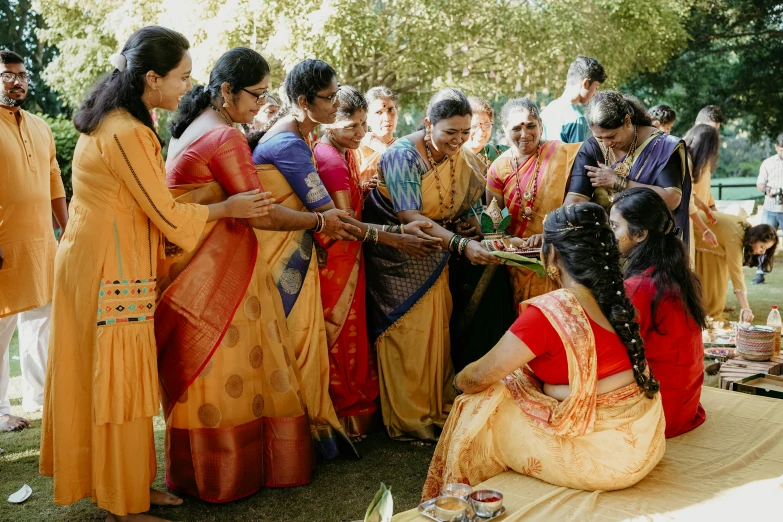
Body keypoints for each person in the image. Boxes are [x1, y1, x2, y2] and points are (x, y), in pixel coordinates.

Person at [38, 27, 271, 522]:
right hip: (107, 265)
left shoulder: (123, 120)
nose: (189, 86)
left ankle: (133, 484)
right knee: (118, 379)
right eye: (182, 77)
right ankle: (124, 503)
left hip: (107, 256)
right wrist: (227, 206)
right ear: (150, 78)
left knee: (126, 377)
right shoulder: (127, 131)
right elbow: (166, 214)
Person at [159, 48, 361, 501]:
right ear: (227, 91)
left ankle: (200, 470)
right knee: (226, 366)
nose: (260, 104)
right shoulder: (226, 137)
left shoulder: (187, 129)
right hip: (215, 268)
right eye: (256, 94)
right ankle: (227, 473)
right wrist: (319, 222)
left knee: (203, 370)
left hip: (185, 261)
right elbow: (261, 214)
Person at [251, 60, 438, 454]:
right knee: (318, 342)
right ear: (304, 102)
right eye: (330, 98)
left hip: (314, 255)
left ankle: (325, 424)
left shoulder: (304, 140)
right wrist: (397, 237)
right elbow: (335, 223)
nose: (337, 104)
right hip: (301, 259)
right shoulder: (292, 145)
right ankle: (310, 431)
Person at [421, 202, 665, 499]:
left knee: (480, 401)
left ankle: (464, 497)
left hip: (602, 460)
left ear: (552, 256)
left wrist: (458, 382)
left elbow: (476, 378)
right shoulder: (617, 298)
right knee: (518, 380)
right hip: (644, 444)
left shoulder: (549, 313)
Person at [363, 88, 500, 441]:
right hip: (400, 259)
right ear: (428, 124)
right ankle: (410, 419)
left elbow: (467, 197)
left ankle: (436, 406)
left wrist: (470, 219)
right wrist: (460, 244)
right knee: (408, 336)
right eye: (450, 132)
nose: (458, 141)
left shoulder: (459, 155)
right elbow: (411, 217)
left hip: (436, 257)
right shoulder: (402, 157)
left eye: (464, 133)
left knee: (436, 333)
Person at [312, 86, 440, 438]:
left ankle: (353, 416)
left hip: (349, 258)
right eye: (351, 125)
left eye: (361, 124)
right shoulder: (331, 159)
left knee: (351, 336)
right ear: (328, 123)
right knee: (340, 337)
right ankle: (344, 416)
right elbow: (346, 224)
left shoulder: (343, 153)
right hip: (337, 259)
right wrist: (395, 237)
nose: (360, 132)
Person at [0, 49, 68, 438]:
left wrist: (67, 226)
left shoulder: (40, 126)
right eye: (8, 75)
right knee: (3, 324)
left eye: (23, 75)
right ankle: (0, 410)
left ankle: (39, 395)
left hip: (42, 241)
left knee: (41, 317)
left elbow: (53, 176)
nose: (19, 81)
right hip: (5, 242)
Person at [611, 188, 708, 438]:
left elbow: (612, 354)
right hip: (683, 405)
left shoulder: (640, 287)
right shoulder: (674, 273)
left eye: (614, 226)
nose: (609, 235)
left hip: (661, 413)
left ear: (641, 233)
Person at [564, 91, 692, 248]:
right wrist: (555, 230)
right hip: (604, 245)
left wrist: (619, 182)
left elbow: (672, 199)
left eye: (611, 136)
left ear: (627, 121)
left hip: (649, 246)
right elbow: (576, 200)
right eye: (599, 138)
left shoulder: (661, 147)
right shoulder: (592, 147)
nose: (606, 144)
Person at [486, 97, 580, 305]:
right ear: (504, 129)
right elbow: (493, 227)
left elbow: (578, 205)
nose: (524, 134)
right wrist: (516, 245)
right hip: (519, 262)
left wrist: (550, 234)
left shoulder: (563, 154)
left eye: (531, 126)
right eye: (516, 128)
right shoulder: (498, 169)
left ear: (541, 126)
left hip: (560, 255)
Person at [695, 217, 777, 321]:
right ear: (754, 240)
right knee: (711, 277)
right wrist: (747, 309)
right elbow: (737, 275)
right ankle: (706, 309)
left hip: (708, 236)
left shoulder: (746, 230)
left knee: (720, 275)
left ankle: (716, 305)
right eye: (762, 247)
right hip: (694, 228)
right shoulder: (735, 239)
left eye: (766, 249)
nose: (763, 252)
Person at [540, 55, 607, 143]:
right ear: (586, 83)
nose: (595, 93)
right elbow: (577, 156)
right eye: (596, 87)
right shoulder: (577, 119)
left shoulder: (546, 111)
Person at [684, 124, 721, 262]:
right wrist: (705, 230)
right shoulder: (685, 160)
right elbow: (687, 199)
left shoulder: (687, 157)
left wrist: (706, 208)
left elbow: (690, 193)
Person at [754, 132, 783, 284]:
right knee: (763, 241)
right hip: (770, 209)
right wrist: (768, 191)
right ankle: (760, 272)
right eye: (781, 149)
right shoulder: (768, 163)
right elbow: (759, 184)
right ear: (776, 147)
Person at [358, 86, 398, 184]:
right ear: (366, 118)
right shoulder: (358, 148)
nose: (387, 118)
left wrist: (382, 149)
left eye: (390, 110)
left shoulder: (404, 147)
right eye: (379, 112)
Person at [464, 96, 509, 168]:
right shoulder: (450, 157)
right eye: (474, 126)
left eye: (486, 125)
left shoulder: (503, 153)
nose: (481, 132)